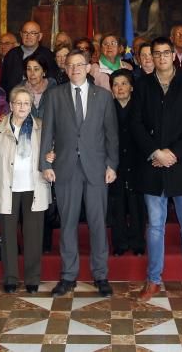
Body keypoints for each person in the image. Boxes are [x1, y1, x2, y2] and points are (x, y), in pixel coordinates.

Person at [129, 37, 182, 305]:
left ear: (174, 55)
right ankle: (153, 280)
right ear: (148, 57)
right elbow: (135, 124)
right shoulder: (142, 86)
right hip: (153, 166)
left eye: (166, 53)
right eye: (156, 54)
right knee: (154, 227)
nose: (161, 58)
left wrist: (174, 153)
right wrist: (156, 152)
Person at [39, 49, 119, 298]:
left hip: (96, 168)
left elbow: (111, 135)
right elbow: (47, 131)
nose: (74, 69)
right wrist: (45, 163)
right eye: (70, 65)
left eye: (79, 65)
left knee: (97, 223)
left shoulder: (104, 97)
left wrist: (112, 165)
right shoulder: (54, 95)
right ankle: (68, 276)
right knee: (68, 224)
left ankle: (101, 275)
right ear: (65, 69)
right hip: (65, 168)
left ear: (88, 68)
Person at [0, 87, 51, 293]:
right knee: (8, 235)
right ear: (11, 105)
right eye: (18, 102)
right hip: (7, 188)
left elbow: (53, 151)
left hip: (34, 187)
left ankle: (33, 278)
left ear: (31, 105)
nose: (22, 106)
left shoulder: (41, 128)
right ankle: (10, 278)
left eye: (26, 103)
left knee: (33, 235)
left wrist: (53, 156)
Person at [107, 69, 146, 257]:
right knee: (118, 205)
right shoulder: (108, 108)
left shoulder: (141, 107)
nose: (120, 88)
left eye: (124, 83)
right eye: (115, 84)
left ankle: (138, 242)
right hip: (115, 164)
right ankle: (120, 243)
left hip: (138, 162)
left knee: (137, 204)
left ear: (131, 87)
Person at [0, 21, 58, 90]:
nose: (28, 36)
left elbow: (52, 83)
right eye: (25, 33)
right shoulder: (11, 55)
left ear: (40, 36)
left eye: (33, 33)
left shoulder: (48, 55)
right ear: (21, 35)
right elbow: (4, 83)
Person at [22, 52, 55, 119]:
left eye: (36, 69)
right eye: (29, 69)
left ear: (44, 72)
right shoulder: (19, 90)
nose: (32, 73)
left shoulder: (54, 89)